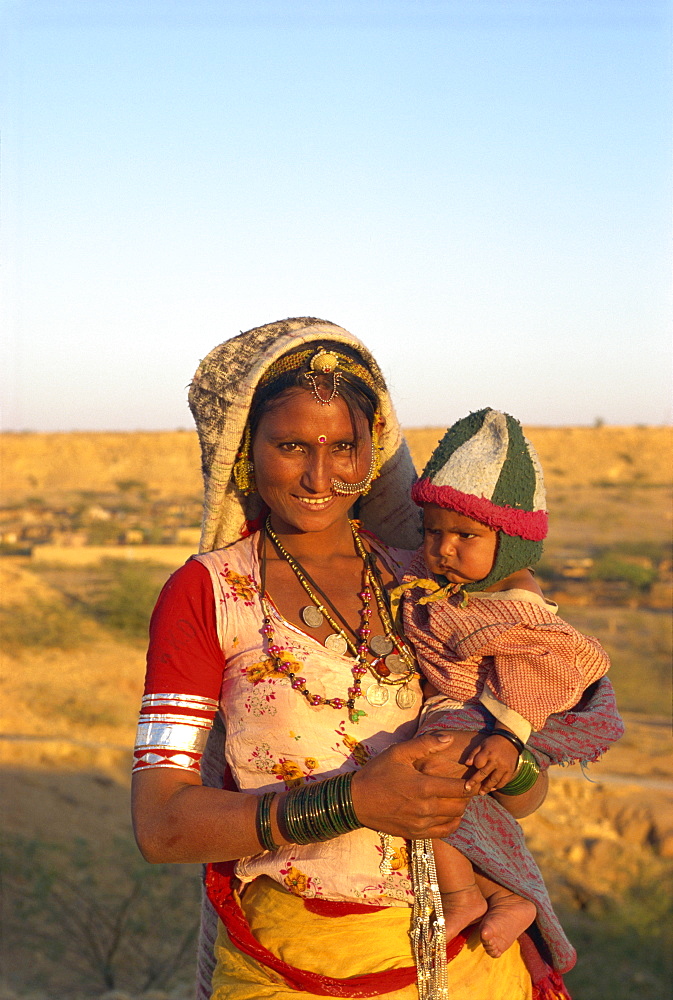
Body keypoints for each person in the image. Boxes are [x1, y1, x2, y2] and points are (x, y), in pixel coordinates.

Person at [131, 318, 623, 1000]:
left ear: (374, 454)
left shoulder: (426, 580)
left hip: (473, 961)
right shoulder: (207, 592)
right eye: (291, 446)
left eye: (343, 448)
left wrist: (503, 759)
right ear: (247, 451)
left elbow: (529, 794)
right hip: (296, 961)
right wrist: (354, 801)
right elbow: (160, 826)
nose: (319, 474)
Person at [393, 408, 611, 962]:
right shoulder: (448, 579)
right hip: (451, 711)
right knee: (445, 808)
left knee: (430, 791)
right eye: (433, 531)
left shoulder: (516, 605)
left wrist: (509, 736)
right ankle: (502, 896)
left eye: (465, 534)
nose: (443, 548)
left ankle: (471, 895)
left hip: (480, 716)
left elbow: (542, 669)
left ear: (510, 544)